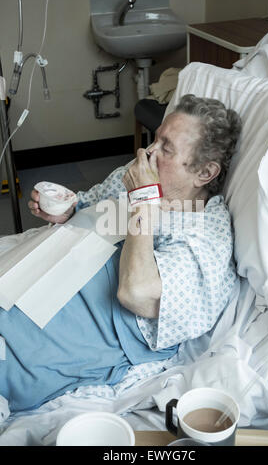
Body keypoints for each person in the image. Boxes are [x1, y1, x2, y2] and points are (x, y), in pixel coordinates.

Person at [0, 95, 241, 413]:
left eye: (166, 148)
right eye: (156, 138)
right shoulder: (137, 175)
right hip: (25, 279)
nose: (148, 152)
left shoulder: (205, 234)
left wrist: (144, 200)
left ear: (205, 173)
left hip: (45, 338)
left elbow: (137, 292)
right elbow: (91, 201)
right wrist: (67, 211)